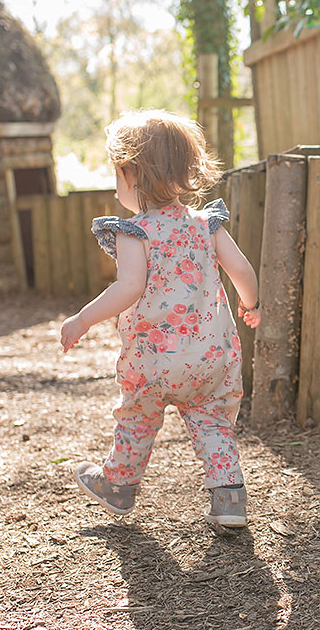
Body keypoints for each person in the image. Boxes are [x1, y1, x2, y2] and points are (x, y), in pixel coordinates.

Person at [58, 109, 261, 530]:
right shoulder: (208, 225)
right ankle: (229, 499)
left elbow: (128, 288)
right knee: (212, 422)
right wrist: (251, 304)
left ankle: (118, 485)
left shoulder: (136, 232)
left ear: (133, 174)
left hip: (152, 361)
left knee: (137, 417)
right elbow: (241, 271)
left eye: (117, 174)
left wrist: (82, 319)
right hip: (210, 357)